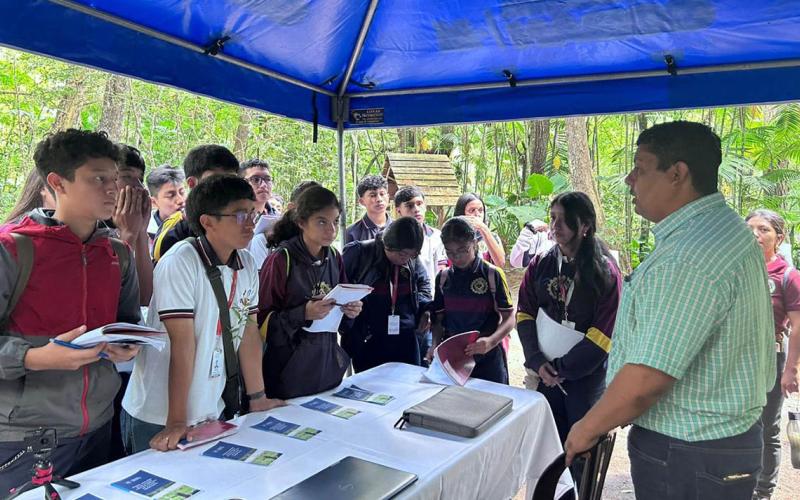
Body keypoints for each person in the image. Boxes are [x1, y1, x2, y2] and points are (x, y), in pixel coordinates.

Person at [564, 121, 774, 500]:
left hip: (689, 455)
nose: (629, 179)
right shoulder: (725, 228)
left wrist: (586, 428)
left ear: (677, 174)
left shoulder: (689, 255)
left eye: (640, 168)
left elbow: (646, 381)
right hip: (719, 446)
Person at [0, 129, 141, 492]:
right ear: (57, 182)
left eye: (114, 178)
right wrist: (34, 358)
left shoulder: (117, 255)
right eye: (98, 178)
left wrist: (126, 345)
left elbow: (128, 324)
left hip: (99, 427)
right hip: (25, 437)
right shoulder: (13, 250)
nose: (113, 189)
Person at [121, 175, 285, 453]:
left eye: (253, 214)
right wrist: (176, 421)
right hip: (160, 414)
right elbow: (181, 344)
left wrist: (257, 397)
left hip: (209, 409)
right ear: (207, 222)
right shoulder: (181, 261)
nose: (250, 224)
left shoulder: (246, 262)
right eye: (240, 215)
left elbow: (247, 331)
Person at [516, 192, 621, 484]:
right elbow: (524, 311)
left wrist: (563, 369)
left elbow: (603, 335)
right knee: (546, 451)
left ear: (585, 225)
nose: (555, 226)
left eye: (563, 220)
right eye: (553, 218)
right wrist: (537, 362)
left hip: (583, 382)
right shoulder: (541, 264)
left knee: (580, 453)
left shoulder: (605, 272)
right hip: (544, 374)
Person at [258, 185, 363, 399]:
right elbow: (261, 323)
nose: (331, 230)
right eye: (322, 221)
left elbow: (341, 314)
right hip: (287, 374)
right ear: (301, 222)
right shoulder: (281, 260)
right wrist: (303, 313)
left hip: (325, 367)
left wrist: (350, 309)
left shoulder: (334, 257)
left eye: (335, 221)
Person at [745, 209, 800, 500]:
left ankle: (763, 490)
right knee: (739, 422)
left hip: (771, 357)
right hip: (737, 359)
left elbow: (798, 326)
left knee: (767, 426)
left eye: (763, 229)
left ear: (779, 238)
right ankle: (740, 481)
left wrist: (791, 369)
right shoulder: (737, 269)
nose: (755, 234)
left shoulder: (787, 276)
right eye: (750, 227)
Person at [430, 217, 515, 384]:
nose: (457, 257)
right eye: (450, 252)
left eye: (463, 250)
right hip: (454, 357)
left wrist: (491, 341)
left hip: (487, 356)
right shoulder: (443, 278)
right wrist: (434, 345)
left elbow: (509, 318)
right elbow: (438, 320)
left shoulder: (492, 274)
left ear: (474, 244)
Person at [342, 216, 432, 372]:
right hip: (368, 339)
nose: (406, 260)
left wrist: (425, 309)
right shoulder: (359, 253)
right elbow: (339, 287)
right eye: (403, 254)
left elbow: (423, 285)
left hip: (405, 338)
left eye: (412, 255)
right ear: (388, 245)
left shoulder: (411, 258)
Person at [151, 145, 240, 263]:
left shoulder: (240, 221)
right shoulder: (172, 234)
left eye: (232, 182)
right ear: (192, 183)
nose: (226, 190)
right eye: (216, 181)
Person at [394, 186, 447, 364]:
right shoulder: (391, 238)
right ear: (398, 210)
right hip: (403, 310)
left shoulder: (437, 237)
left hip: (429, 306)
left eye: (419, 204)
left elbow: (441, 275)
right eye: (409, 205)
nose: (416, 209)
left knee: (427, 359)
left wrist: (432, 310)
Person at [248, 180, 320, 273]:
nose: (318, 214)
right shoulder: (265, 241)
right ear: (292, 208)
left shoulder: (330, 253)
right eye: (310, 208)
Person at [453, 193, 506, 268]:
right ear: (461, 214)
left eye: (481, 210)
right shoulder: (451, 237)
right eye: (472, 210)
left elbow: (501, 264)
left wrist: (484, 229)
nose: (477, 214)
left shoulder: (493, 237)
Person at [145, 165, 186, 244]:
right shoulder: (146, 235)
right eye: (171, 195)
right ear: (153, 202)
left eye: (182, 192)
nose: (180, 200)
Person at [345, 175, 392, 243]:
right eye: (373, 195)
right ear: (362, 201)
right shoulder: (352, 232)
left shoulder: (399, 227)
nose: (379, 199)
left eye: (382, 194)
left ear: (388, 197)